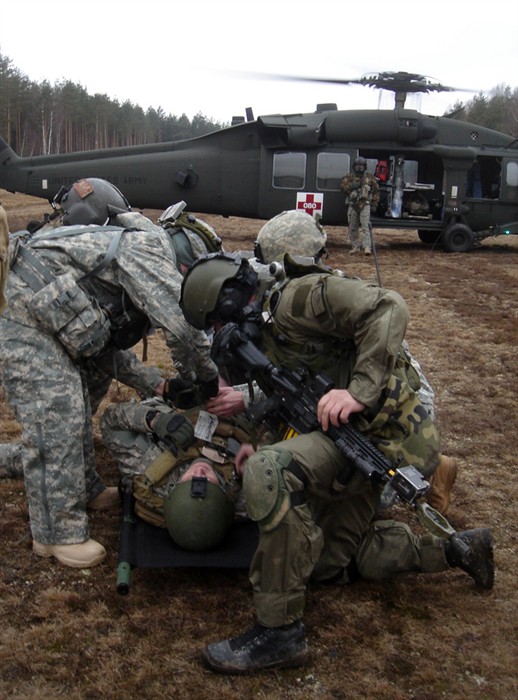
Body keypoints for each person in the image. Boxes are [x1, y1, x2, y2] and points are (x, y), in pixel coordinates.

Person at [179, 252, 494, 674]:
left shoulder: (298, 299)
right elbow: (289, 400)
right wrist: (263, 443)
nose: (219, 336)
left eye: (215, 324)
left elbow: (389, 306)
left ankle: (279, 633)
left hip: (382, 436)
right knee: (326, 566)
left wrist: (358, 392)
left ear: (231, 303)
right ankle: (454, 550)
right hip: (348, 443)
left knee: (268, 472)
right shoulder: (264, 339)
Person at [0, 178, 221, 568]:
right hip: (21, 313)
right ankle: (57, 534)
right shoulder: (147, 249)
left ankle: (82, 485)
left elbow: (104, 350)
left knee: (87, 390)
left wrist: (161, 384)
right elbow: (184, 328)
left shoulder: (135, 252)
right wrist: (208, 380)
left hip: (52, 316)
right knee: (58, 410)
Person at [251, 209, 457, 515]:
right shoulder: (307, 294)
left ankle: (432, 467)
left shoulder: (314, 295)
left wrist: (358, 392)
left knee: (358, 489)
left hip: (398, 403)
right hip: (378, 390)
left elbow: (391, 308)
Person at [99, 394, 255, 549]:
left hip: (178, 411)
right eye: (207, 482)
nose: (199, 472)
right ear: (224, 493)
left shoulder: (154, 472)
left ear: (175, 489)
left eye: (190, 481)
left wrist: (154, 420)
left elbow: (110, 420)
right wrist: (262, 451)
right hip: (244, 410)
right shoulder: (249, 492)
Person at [340, 156, 380, 256]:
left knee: (365, 227)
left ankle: (367, 247)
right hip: (353, 205)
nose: (359, 167)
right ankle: (355, 247)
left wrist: (375, 204)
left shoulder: (369, 177)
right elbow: (342, 187)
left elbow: (376, 191)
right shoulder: (349, 177)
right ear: (354, 166)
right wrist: (352, 186)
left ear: (365, 166)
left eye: (361, 165)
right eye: (357, 165)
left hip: (365, 205)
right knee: (353, 227)